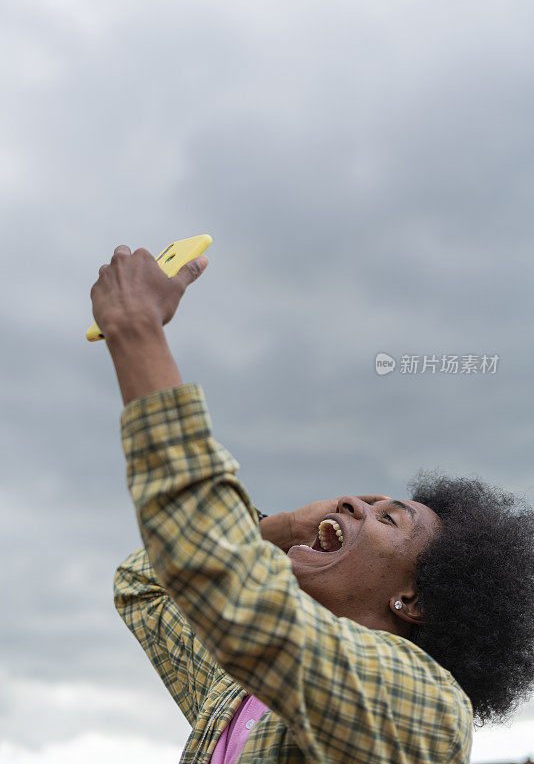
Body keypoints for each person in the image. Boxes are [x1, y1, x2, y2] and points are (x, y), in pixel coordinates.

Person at [91, 246, 534, 764]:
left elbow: (231, 589)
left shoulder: (424, 705)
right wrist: (280, 528)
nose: (352, 501)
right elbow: (144, 580)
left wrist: (137, 330)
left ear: (413, 601)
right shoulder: (243, 692)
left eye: (389, 519)